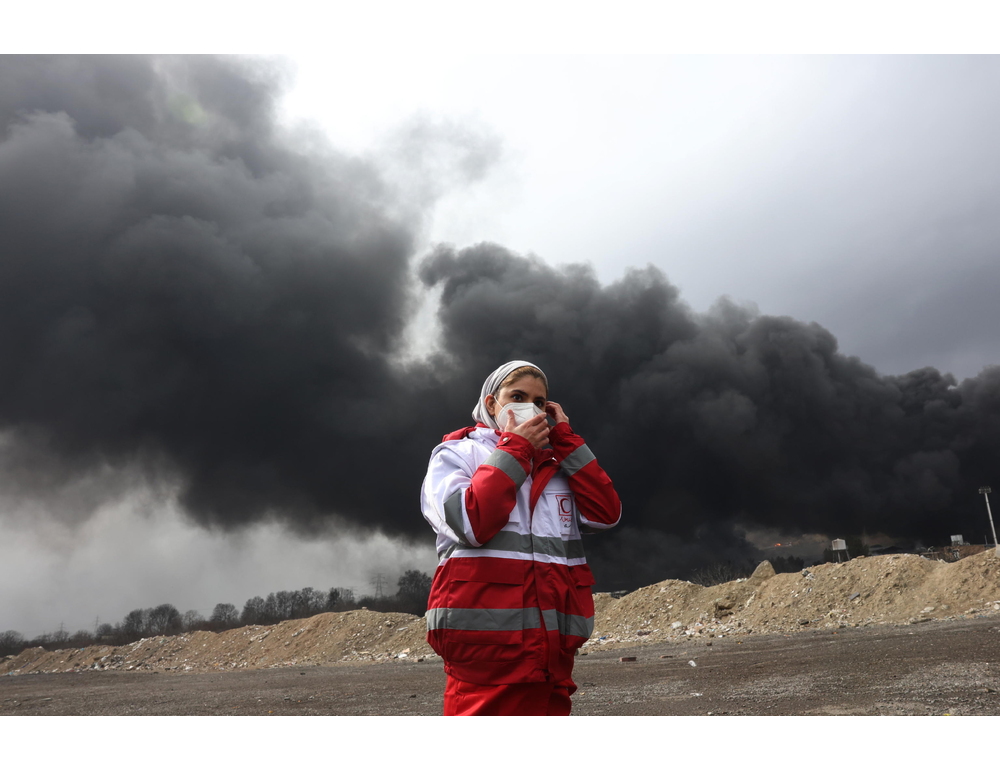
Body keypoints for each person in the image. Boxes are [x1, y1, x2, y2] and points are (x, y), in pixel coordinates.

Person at [420, 360, 622, 715]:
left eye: (540, 402)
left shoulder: (557, 468)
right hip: (486, 660)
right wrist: (516, 449)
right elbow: (470, 522)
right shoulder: (457, 456)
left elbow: (606, 515)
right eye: (517, 396)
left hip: (550, 656)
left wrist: (566, 442)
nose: (530, 407)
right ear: (491, 404)